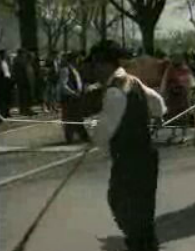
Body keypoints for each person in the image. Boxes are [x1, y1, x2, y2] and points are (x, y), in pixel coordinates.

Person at [89, 40, 167, 251]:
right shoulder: (133, 81)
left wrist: (93, 129)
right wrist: (158, 116)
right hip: (147, 157)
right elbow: (157, 102)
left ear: (106, 64)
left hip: (128, 161)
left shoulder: (114, 92)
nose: (94, 70)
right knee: (143, 213)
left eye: (95, 65)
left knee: (122, 205)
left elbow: (103, 132)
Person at [58, 52, 90, 143]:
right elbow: (63, 85)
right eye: (77, 59)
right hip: (69, 98)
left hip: (76, 97)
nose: (79, 60)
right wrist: (73, 93)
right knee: (71, 117)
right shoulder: (65, 70)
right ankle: (75, 137)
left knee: (76, 117)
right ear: (73, 59)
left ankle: (77, 136)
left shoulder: (75, 69)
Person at [0, 49, 13, 120]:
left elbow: (8, 70)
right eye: (4, 54)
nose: (5, 55)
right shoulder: (1, 62)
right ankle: (3, 113)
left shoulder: (6, 62)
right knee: (3, 97)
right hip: (3, 80)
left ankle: (7, 112)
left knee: (8, 97)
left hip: (8, 79)